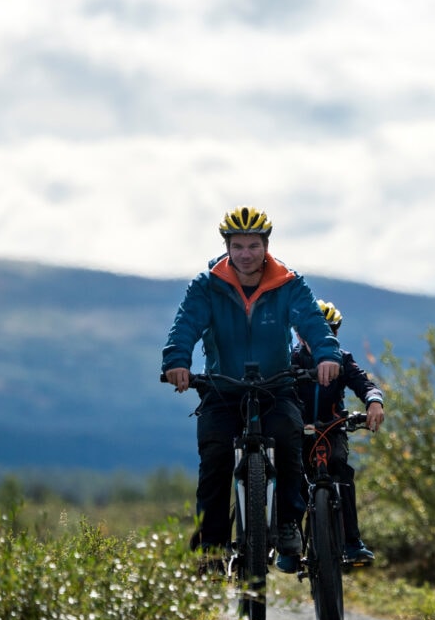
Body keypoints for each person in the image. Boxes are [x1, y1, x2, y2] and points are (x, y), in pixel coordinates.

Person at [161, 205, 341, 568]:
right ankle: (211, 546)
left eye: (253, 246)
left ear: (266, 245)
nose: (246, 254)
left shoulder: (288, 283)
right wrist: (177, 362)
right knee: (215, 458)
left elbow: (312, 322)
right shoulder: (207, 285)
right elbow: (186, 324)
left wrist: (326, 355)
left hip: (275, 386)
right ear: (227, 246)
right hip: (222, 388)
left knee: (290, 439)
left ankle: (289, 522)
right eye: (238, 246)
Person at [289, 300, 384, 570]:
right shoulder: (289, 361)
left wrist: (374, 401)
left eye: (329, 330)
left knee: (341, 471)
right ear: (299, 333)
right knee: (292, 476)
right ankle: (291, 542)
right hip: (297, 430)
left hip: (332, 427)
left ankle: (352, 542)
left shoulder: (342, 359)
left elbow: (364, 383)